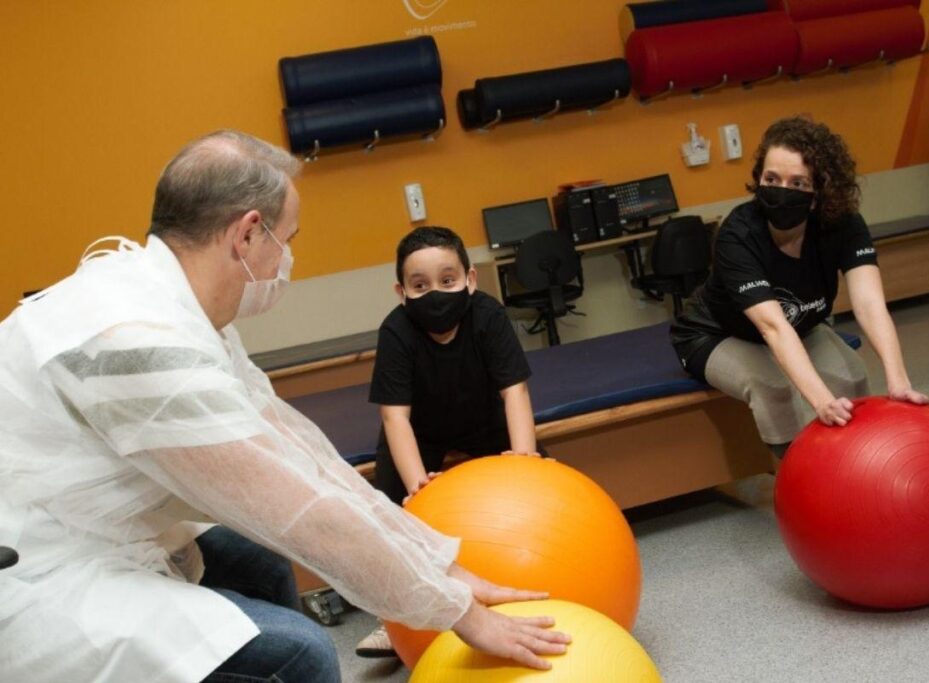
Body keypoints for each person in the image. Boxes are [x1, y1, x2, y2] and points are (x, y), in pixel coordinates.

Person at [0, 130, 569, 683]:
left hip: (88, 529)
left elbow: (301, 456)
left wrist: (439, 565)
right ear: (248, 235)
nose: (288, 257)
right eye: (287, 239)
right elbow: (298, 511)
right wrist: (459, 613)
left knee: (258, 564)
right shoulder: (136, 338)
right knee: (295, 656)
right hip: (33, 570)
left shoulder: (182, 311)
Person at [670, 116, 928, 458]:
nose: (782, 192)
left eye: (798, 183)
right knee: (773, 388)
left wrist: (898, 382)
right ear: (758, 177)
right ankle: (797, 485)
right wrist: (822, 402)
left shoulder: (843, 224)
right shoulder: (739, 234)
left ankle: (857, 469)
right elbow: (772, 327)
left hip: (799, 326)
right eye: (772, 178)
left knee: (851, 377)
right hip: (717, 333)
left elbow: (869, 304)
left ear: (821, 191)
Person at [356, 225, 542, 658]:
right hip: (420, 431)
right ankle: (392, 619)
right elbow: (394, 416)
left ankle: (536, 583)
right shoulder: (396, 331)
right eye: (420, 286)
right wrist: (420, 488)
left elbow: (515, 390)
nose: (436, 293)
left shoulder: (488, 315)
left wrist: (526, 459)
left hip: (485, 422)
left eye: (448, 280)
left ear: (470, 280)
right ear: (401, 291)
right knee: (389, 509)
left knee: (542, 481)